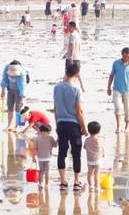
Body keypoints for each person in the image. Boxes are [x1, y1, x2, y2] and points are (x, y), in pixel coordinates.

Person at [53, 63, 87, 191]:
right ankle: (77, 182)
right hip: (74, 125)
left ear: (66, 72)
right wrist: (84, 127)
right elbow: (79, 111)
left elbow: (56, 109)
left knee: (62, 153)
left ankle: (63, 182)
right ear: (77, 75)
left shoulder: (57, 87)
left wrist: (57, 125)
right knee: (76, 153)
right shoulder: (76, 90)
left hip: (61, 123)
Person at [106, 47, 129, 133]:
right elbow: (111, 75)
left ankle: (127, 127)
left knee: (127, 109)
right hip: (117, 89)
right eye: (125, 56)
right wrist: (108, 87)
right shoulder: (116, 63)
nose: (126, 58)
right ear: (122, 55)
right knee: (118, 108)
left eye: (128, 56)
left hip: (128, 90)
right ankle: (118, 126)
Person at [0, 61, 27, 132]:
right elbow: (4, 79)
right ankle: (9, 125)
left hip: (19, 91)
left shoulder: (22, 73)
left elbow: (22, 86)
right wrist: (3, 90)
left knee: (18, 108)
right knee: (10, 107)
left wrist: (22, 97)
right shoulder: (7, 68)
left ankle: (18, 126)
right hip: (10, 90)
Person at [32, 123, 56, 189]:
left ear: (40, 131)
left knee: (41, 171)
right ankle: (47, 184)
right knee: (47, 171)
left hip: (40, 158)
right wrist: (58, 139)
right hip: (48, 158)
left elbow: (35, 149)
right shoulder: (50, 137)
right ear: (49, 131)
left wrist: (33, 157)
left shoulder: (37, 138)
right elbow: (55, 145)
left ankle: (40, 184)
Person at [84, 121, 105, 192]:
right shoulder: (99, 140)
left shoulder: (87, 140)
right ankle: (97, 187)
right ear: (99, 131)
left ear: (89, 131)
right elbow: (102, 145)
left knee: (89, 173)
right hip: (98, 160)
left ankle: (91, 186)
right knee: (97, 174)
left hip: (89, 160)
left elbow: (84, 147)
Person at [63, 21, 84, 92]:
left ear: (72, 27)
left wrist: (70, 57)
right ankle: (82, 86)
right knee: (77, 72)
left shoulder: (72, 35)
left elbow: (72, 46)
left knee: (67, 73)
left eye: (68, 26)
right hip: (77, 57)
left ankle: (65, 87)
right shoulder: (77, 34)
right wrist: (66, 54)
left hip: (72, 58)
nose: (67, 28)